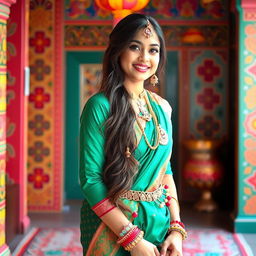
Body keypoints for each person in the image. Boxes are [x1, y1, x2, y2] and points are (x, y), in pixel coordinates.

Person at [79, 13, 187, 256]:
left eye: (153, 50)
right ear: (118, 51)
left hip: (158, 224)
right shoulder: (100, 106)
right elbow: (90, 181)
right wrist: (132, 238)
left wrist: (176, 228)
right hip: (110, 228)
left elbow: (165, 172)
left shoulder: (162, 107)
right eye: (135, 47)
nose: (144, 58)